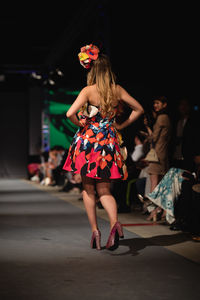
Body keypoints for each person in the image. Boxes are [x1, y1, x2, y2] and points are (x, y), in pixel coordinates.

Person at [62, 44, 144, 251]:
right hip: (108, 143)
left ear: (93, 70)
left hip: (88, 143)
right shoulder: (117, 90)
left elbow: (69, 113)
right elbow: (139, 109)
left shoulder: (88, 91)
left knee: (88, 189)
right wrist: (121, 125)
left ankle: (95, 232)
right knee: (105, 189)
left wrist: (80, 124)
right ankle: (115, 224)